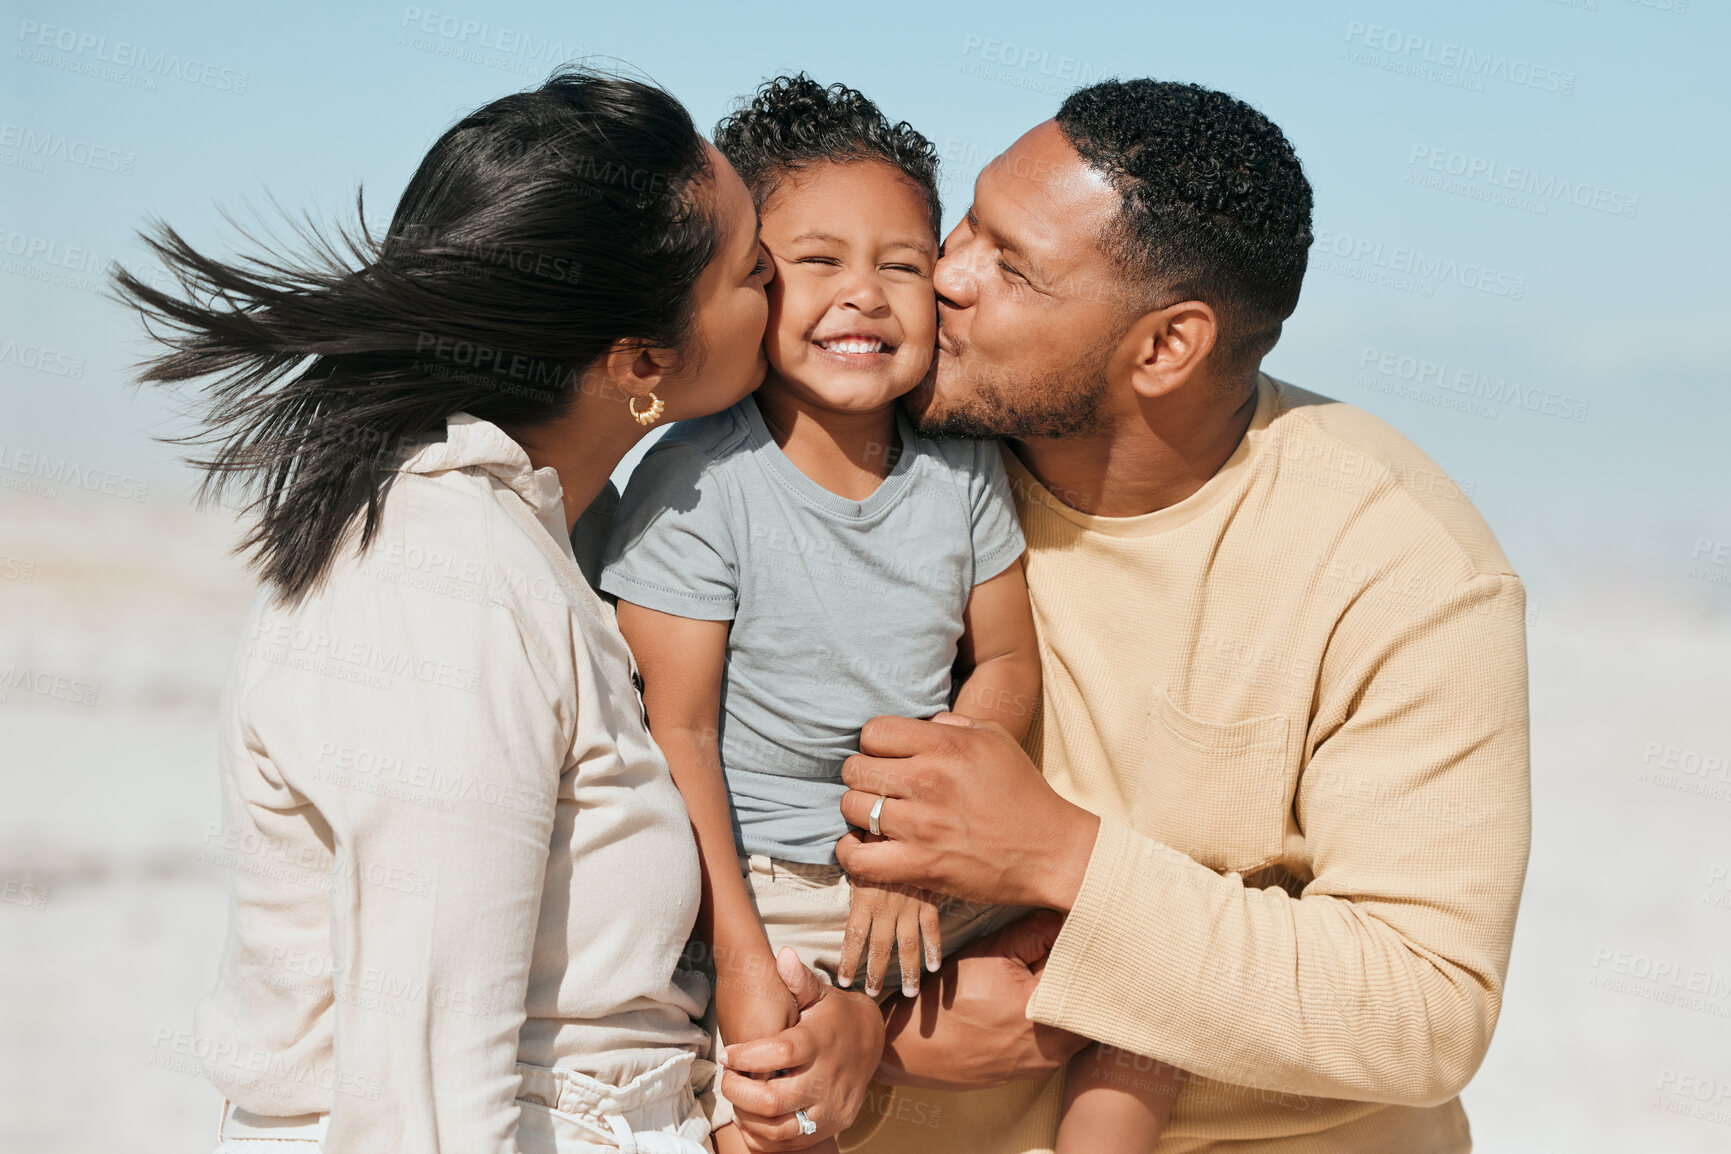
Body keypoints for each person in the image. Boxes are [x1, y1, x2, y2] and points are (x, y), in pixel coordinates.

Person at [114, 66, 882, 1154]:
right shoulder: (443, 586)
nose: (796, 301)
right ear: (644, 363)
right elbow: (421, 1098)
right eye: (758, 271)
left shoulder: (558, 539)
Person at [832, 79, 1532, 1154]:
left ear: (1166, 347)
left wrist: (1058, 858)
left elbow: (1426, 1008)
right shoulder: (849, 457)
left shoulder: (1397, 559)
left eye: (1012, 266)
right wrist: (871, 1025)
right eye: (969, 220)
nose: (948, 271)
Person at [600, 76, 1182, 1154]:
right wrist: (738, 960)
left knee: (1143, 976)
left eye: (902, 266)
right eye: (816, 262)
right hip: (766, 892)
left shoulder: (961, 469)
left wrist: (912, 840)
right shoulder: (697, 483)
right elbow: (673, 734)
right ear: (748, 287)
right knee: (780, 1113)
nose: (863, 294)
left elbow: (1004, 662)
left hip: (916, 867)